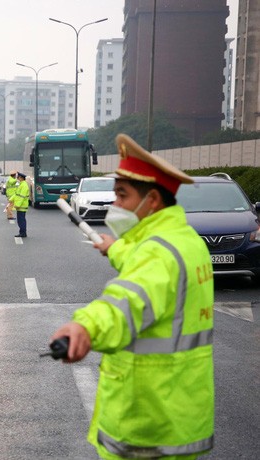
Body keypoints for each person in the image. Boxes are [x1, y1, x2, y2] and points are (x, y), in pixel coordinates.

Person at [50, 133, 214, 459]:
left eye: (122, 195)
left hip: (147, 424)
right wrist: (116, 248)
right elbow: (149, 270)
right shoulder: (184, 240)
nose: (115, 205)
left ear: (152, 200)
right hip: (179, 411)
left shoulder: (157, 253)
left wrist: (85, 327)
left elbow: (126, 302)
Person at [11, 171, 29, 237]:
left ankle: (23, 233)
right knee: (20, 220)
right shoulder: (21, 184)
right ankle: (22, 232)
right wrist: (11, 200)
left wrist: (18, 205)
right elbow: (17, 194)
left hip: (22, 206)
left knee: (21, 220)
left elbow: (22, 196)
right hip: (20, 206)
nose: (17, 178)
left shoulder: (24, 185)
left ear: (21, 177)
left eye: (18, 177)